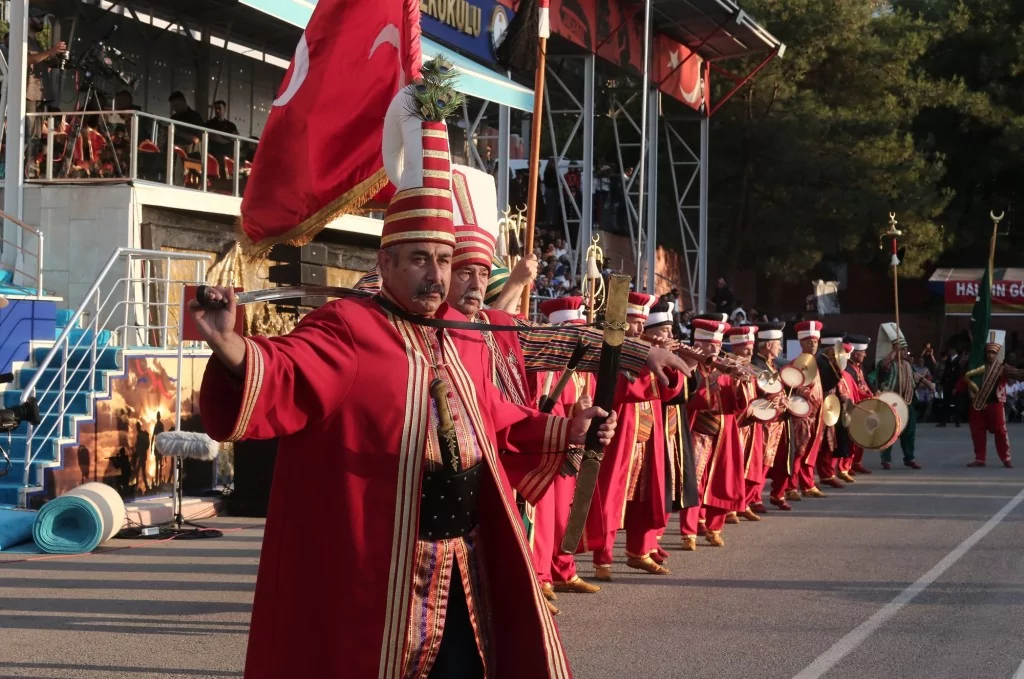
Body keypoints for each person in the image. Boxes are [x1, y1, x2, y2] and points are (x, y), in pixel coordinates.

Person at [193, 79, 619, 679]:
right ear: (384, 262)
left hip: (464, 566)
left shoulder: (463, 335)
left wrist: (566, 428)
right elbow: (287, 370)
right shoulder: (347, 325)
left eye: (444, 261)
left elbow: (495, 420)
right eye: (420, 259)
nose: (436, 276)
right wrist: (230, 343)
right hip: (383, 572)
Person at [586, 293, 685, 577]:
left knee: (645, 495)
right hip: (619, 435)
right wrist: (648, 362)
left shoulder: (645, 350)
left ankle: (639, 550)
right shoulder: (610, 352)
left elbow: (670, 393)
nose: (640, 330)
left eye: (642, 323)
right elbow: (623, 390)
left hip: (647, 435)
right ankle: (602, 558)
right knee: (611, 495)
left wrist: (669, 361)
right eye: (633, 322)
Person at [531, 296, 602, 601]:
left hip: (572, 448)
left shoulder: (585, 370)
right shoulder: (547, 367)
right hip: (549, 446)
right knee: (545, 518)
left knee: (565, 516)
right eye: (574, 334)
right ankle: (541, 576)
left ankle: (563, 570)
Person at [684, 315, 749, 548]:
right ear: (698, 344)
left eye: (719, 344)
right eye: (710, 344)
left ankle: (714, 528)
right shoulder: (690, 366)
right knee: (694, 482)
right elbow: (690, 402)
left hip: (724, 432)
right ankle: (689, 532)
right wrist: (711, 379)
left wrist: (740, 383)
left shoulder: (727, 367)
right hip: (698, 431)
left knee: (722, 480)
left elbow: (739, 406)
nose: (715, 349)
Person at [964, 330, 1024, 468]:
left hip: (995, 404)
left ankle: (1006, 458)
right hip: (977, 403)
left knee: (1001, 432)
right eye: (988, 352)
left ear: (997, 354)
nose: (990, 355)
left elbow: (1019, 373)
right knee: (977, 432)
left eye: (993, 353)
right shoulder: (977, 366)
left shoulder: (1002, 368)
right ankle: (980, 458)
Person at [751, 322, 794, 512]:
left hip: (780, 420)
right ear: (768, 345)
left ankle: (778, 493)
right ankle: (754, 498)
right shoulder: (758, 365)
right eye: (778, 343)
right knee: (762, 460)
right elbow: (759, 395)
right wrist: (777, 401)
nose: (780, 347)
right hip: (766, 421)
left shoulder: (771, 364)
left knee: (781, 459)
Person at [725, 324, 764, 523]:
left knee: (750, 465)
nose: (750, 351)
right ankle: (730, 507)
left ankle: (744, 503)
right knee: (735, 467)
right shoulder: (727, 366)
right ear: (735, 348)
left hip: (752, 424)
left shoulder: (751, 367)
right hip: (736, 424)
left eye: (751, 347)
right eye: (745, 348)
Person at [788, 321, 829, 498]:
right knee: (798, 450)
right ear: (801, 344)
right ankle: (791, 487)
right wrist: (798, 389)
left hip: (816, 414)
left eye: (815, 342)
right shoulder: (796, 363)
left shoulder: (816, 364)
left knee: (811, 451)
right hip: (801, 415)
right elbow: (788, 386)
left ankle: (808, 484)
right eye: (809, 342)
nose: (813, 345)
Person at [877, 325, 922, 470]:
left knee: (909, 432)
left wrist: (928, 384)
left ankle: (910, 457)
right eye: (902, 349)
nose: (904, 352)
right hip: (893, 402)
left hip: (907, 401)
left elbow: (915, 377)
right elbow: (883, 366)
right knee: (890, 431)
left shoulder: (908, 365)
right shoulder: (890, 364)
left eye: (904, 349)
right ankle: (886, 459)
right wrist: (894, 351)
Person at [843, 334, 874, 476]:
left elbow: (866, 384)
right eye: (863, 353)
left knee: (860, 438)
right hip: (854, 406)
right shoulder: (848, 369)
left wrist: (875, 392)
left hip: (864, 405)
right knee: (852, 438)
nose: (865, 355)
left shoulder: (859, 367)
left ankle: (856, 462)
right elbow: (854, 390)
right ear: (855, 354)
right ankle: (846, 465)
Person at [938, 346, 964, 428]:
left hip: (954, 385)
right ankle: (943, 421)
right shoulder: (949, 360)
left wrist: (956, 387)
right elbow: (946, 373)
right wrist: (941, 383)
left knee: (956, 404)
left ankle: (957, 421)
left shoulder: (958, 361)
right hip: (947, 385)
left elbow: (959, 375)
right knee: (945, 403)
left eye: (951, 349)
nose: (949, 351)